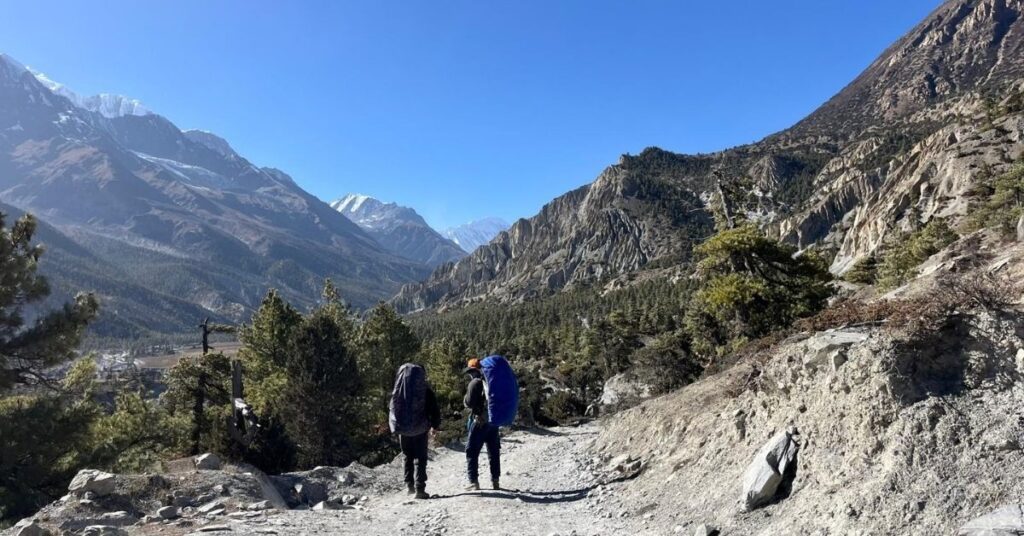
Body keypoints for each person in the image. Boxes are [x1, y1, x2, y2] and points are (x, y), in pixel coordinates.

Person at [388, 363, 441, 500]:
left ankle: (409, 486)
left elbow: (392, 409)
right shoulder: (425, 390)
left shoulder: (398, 391)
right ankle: (420, 488)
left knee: (407, 456)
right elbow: (434, 409)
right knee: (421, 458)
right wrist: (435, 425)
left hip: (403, 429)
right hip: (420, 428)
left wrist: (394, 426)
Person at [463, 358, 501, 491]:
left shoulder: (475, 382)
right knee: (493, 452)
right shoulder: (491, 382)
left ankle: (474, 482)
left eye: (470, 371)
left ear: (474, 370)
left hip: (479, 421)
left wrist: (465, 400)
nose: (469, 374)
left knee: (471, 451)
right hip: (493, 421)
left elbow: (469, 402)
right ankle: (495, 481)